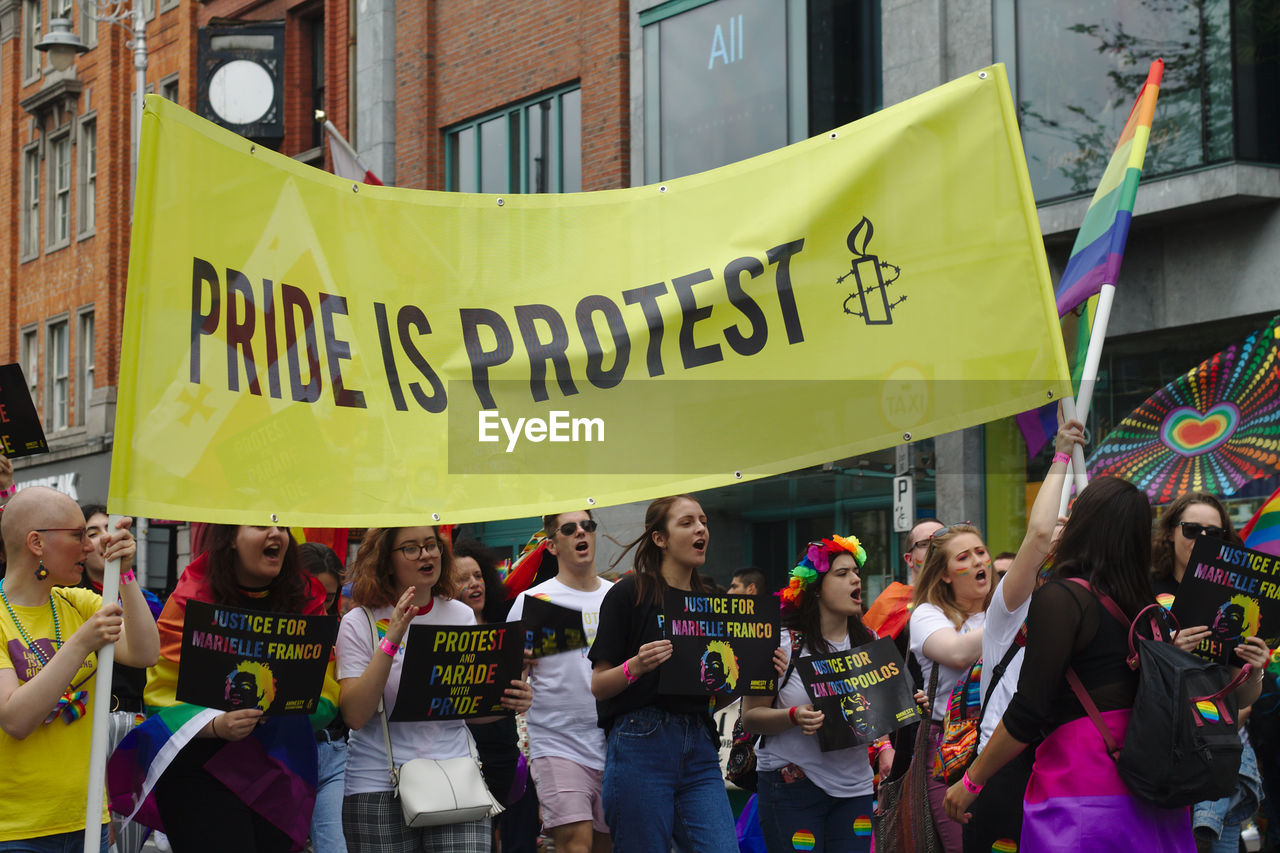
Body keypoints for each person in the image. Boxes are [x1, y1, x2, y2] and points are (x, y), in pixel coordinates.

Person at [943, 477, 1269, 851]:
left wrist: (971, 781)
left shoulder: (1064, 598)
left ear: (1085, 523)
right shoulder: (1149, 609)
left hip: (1081, 787)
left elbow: (1029, 708)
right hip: (1154, 790)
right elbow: (1221, 700)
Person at [108, 524, 341, 853]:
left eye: (281, 526)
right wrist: (214, 724)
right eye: (262, 525)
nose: (276, 534)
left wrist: (279, 708)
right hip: (198, 773)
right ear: (231, 537)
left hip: (275, 776)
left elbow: (326, 699)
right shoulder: (191, 596)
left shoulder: (306, 601)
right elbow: (160, 701)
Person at [336, 526, 532, 853]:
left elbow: (468, 708)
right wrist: (392, 639)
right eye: (411, 548)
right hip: (380, 784)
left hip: (455, 778)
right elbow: (355, 715)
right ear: (386, 561)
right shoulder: (360, 622)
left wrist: (509, 700)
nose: (426, 554)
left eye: (431, 545)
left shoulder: (460, 614)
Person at [0, 486, 157, 851]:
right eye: (77, 535)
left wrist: (126, 575)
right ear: (36, 543)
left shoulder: (77, 602)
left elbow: (145, 653)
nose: (90, 547)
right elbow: (16, 719)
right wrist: (81, 643)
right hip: (16, 828)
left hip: (86, 818)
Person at [960, 418, 1083, 853]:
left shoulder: (1088, 610)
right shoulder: (1010, 610)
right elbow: (1039, 533)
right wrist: (1063, 456)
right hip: (1004, 766)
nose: (1060, 531)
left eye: (1073, 528)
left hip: (1066, 767)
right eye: (1059, 526)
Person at [588, 495, 737, 853]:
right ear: (660, 539)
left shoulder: (713, 602)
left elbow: (721, 694)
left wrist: (758, 673)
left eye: (703, 521)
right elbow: (599, 685)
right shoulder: (629, 593)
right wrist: (635, 667)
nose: (700, 529)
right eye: (686, 522)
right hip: (641, 743)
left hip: (700, 745)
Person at [743, 534, 878, 853]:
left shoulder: (870, 641)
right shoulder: (780, 643)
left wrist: (905, 706)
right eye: (842, 573)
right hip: (792, 790)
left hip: (855, 792)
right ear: (816, 588)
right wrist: (794, 716)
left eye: (856, 572)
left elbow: (874, 717)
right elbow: (750, 718)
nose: (855, 578)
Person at [1149, 492, 1259, 853]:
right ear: (1170, 533)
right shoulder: (1145, 589)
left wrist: (1254, 671)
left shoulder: (1235, 601)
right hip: (1162, 749)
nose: (1202, 541)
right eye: (1192, 530)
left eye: (1214, 533)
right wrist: (1171, 653)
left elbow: (1241, 696)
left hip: (1217, 748)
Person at [508, 510, 613, 853]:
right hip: (557, 743)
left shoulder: (617, 598)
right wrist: (519, 679)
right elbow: (511, 678)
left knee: (605, 844)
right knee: (574, 844)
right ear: (552, 545)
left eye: (588, 526)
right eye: (570, 529)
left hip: (615, 743)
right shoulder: (533, 602)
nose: (581, 533)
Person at [77, 504, 163, 853]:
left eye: (107, 530)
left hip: (133, 724)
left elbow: (149, 652)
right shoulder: (69, 597)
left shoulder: (144, 601)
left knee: (130, 836)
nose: (102, 539)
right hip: (83, 723)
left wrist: (126, 577)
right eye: (91, 532)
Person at [909, 522, 992, 852]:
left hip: (1005, 743)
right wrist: (1014, 618)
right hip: (950, 749)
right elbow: (957, 653)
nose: (976, 561)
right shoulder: (927, 614)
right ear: (944, 574)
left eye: (980, 552)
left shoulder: (1004, 609)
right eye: (963, 556)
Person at [453, 537, 522, 850]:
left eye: (478, 576)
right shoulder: (443, 634)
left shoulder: (505, 626)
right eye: (462, 579)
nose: (473, 584)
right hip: (463, 751)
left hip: (504, 748)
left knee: (498, 833)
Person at [298, 541, 350, 853]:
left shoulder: (341, 629)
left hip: (332, 751)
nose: (320, 605)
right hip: (281, 754)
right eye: (310, 595)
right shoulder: (269, 629)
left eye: (328, 598)